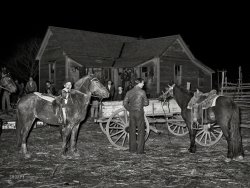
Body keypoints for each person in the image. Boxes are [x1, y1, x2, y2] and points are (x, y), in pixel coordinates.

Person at [123, 78, 149, 154]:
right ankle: (140, 151)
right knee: (141, 131)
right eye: (142, 83)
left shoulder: (129, 92)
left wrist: (130, 109)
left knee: (132, 130)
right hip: (139, 112)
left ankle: (132, 149)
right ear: (139, 83)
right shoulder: (142, 92)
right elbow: (146, 103)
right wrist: (141, 104)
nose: (143, 84)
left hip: (132, 113)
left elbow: (125, 103)